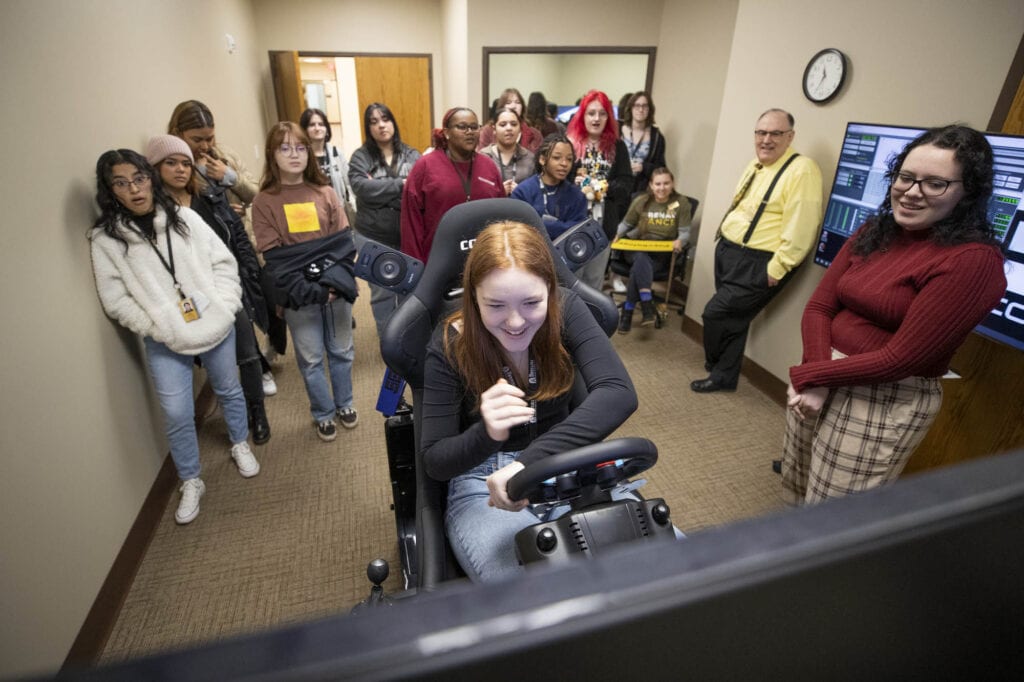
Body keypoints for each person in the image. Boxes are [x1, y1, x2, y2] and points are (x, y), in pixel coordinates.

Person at [780, 125, 1006, 504]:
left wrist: (812, 375)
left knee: (833, 518)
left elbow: (901, 358)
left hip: (883, 397)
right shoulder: (877, 228)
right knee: (795, 486)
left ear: (967, 192)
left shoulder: (973, 262)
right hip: (822, 372)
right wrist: (817, 374)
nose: (912, 192)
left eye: (935, 184)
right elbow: (820, 306)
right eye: (906, 177)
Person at [419, 221, 638, 582]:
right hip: (485, 481)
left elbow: (618, 392)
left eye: (532, 302)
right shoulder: (450, 345)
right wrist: (487, 433)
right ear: (473, 298)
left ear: (550, 292)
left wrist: (528, 464)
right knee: (535, 596)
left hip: (565, 460)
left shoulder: (565, 310)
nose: (516, 321)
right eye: (496, 305)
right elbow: (435, 462)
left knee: (664, 568)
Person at [89, 149, 260, 525]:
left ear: (150, 178)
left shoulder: (184, 218)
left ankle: (239, 442)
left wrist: (226, 304)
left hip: (214, 323)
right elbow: (115, 300)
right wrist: (158, 326)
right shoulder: (106, 241)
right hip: (164, 338)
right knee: (178, 412)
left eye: (139, 178)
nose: (134, 190)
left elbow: (223, 263)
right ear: (110, 190)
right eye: (121, 183)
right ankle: (190, 479)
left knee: (229, 388)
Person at [146, 135, 272, 445]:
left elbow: (236, 238)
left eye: (186, 164)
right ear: (155, 168)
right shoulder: (152, 213)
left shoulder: (210, 197)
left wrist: (247, 275)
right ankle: (234, 416)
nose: (180, 170)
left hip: (227, 288)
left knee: (247, 353)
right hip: (188, 298)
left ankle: (258, 413)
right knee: (212, 361)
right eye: (171, 163)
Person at [692, 108, 823, 393]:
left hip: (759, 262)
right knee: (735, 320)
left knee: (715, 314)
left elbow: (803, 225)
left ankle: (716, 362)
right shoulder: (756, 165)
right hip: (730, 252)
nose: (766, 139)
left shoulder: (802, 170)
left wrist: (778, 267)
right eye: (761, 132)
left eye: (775, 133)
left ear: (790, 137)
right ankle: (723, 376)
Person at [251, 122, 359, 442]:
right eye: (284, 148)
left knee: (342, 350)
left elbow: (342, 246)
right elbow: (276, 259)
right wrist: (311, 290)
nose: (294, 154)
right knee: (311, 357)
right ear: (272, 155)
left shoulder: (325, 192)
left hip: (335, 288)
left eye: (299, 147)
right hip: (297, 293)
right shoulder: (264, 202)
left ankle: (345, 404)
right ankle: (323, 412)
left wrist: (330, 286)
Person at [168, 99, 283, 381]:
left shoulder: (225, 156)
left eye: (210, 138)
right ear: (178, 133)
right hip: (207, 254)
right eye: (197, 139)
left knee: (264, 298)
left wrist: (229, 178)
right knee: (235, 308)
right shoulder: (175, 167)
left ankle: (271, 348)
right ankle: (258, 369)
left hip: (243, 243)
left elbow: (257, 194)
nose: (205, 146)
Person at [348, 102, 422, 336]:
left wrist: (379, 192)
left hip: (407, 234)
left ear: (393, 122)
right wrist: (400, 185)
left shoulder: (412, 155)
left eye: (385, 119)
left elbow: (420, 189)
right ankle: (388, 342)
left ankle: (407, 340)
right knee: (382, 294)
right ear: (368, 127)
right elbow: (361, 187)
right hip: (373, 235)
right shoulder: (360, 157)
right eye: (374, 121)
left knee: (409, 288)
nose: (381, 125)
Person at [400, 107, 505, 263]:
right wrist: (415, 266)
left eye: (474, 127)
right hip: (439, 261)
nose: (470, 132)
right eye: (462, 127)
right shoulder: (426, 166)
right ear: (447, 132)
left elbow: (501, 215)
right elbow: (411, 222)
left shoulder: (488, 166)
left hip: (483, 261)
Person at [566, 89, 633, 291]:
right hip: (571, 221)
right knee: (570, 278)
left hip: (603, 222)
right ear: (582, 115)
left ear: (608, 117)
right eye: (591, 113)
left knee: (593, 281)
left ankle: (590, 321)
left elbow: (626, 184)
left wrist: (602, 187)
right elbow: (556, 178)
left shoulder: (617, 147)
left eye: (602, 113)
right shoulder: (569, 143)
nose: (596, 118)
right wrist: (574, 182)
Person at [614, 167, 691, 333]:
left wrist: (680, 241)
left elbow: (685, 232)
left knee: (638, 268)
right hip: (638, 244)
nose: (661, 188)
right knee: (641, 257)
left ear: (672, 184)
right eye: (657, 184)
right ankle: (646, 302)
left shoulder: (680, 203)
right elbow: (626, 224)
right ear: (651, 185)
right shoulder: (642, 200)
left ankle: (628, 311)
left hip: (661, 251)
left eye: (666, 183)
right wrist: (617, 235)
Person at [511, 133, 588, 241]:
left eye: (569, 159)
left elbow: (578, 233)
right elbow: (518, 231)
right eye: (557, 158)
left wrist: (541, 225)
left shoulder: (577, 196)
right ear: (542, 159)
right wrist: (561, 226)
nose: (564, 164)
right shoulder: (523, 192)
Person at [300, 107, 357, 226]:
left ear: (326, 128)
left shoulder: (337, 154)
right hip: (312, 215)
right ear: (304, 130)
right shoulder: (301, 156)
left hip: (338, 212)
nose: (317, 128)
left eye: (321, 124)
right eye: (312, 125)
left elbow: (349, 182)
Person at [479, 106, 536, 196]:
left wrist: (521, 192)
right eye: (503, 124)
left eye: (514, 124)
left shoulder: (530, 158)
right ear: (494, 129)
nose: (509, 128)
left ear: (520, 129)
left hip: (521, 209)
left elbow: (535, 193)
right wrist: (498, 192)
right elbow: (478, 192)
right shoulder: (482, 157)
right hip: (490, 209)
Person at [621, 91, 667, 197]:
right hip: (617, 185)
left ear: (649, 110)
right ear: (631, 108)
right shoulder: (618, 130)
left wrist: (643, 167)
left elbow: (661, 168)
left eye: (645, 106)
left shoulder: (657, 137)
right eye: (637, 105)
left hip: (640, 189)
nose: (641, 110)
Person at [476, 88, 543, 152]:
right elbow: (481, 158)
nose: (513, 106)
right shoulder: (488, 131)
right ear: (501, 107)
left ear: (522, 107)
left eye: (518, 102)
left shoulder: (535, 134)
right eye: (508, 102)